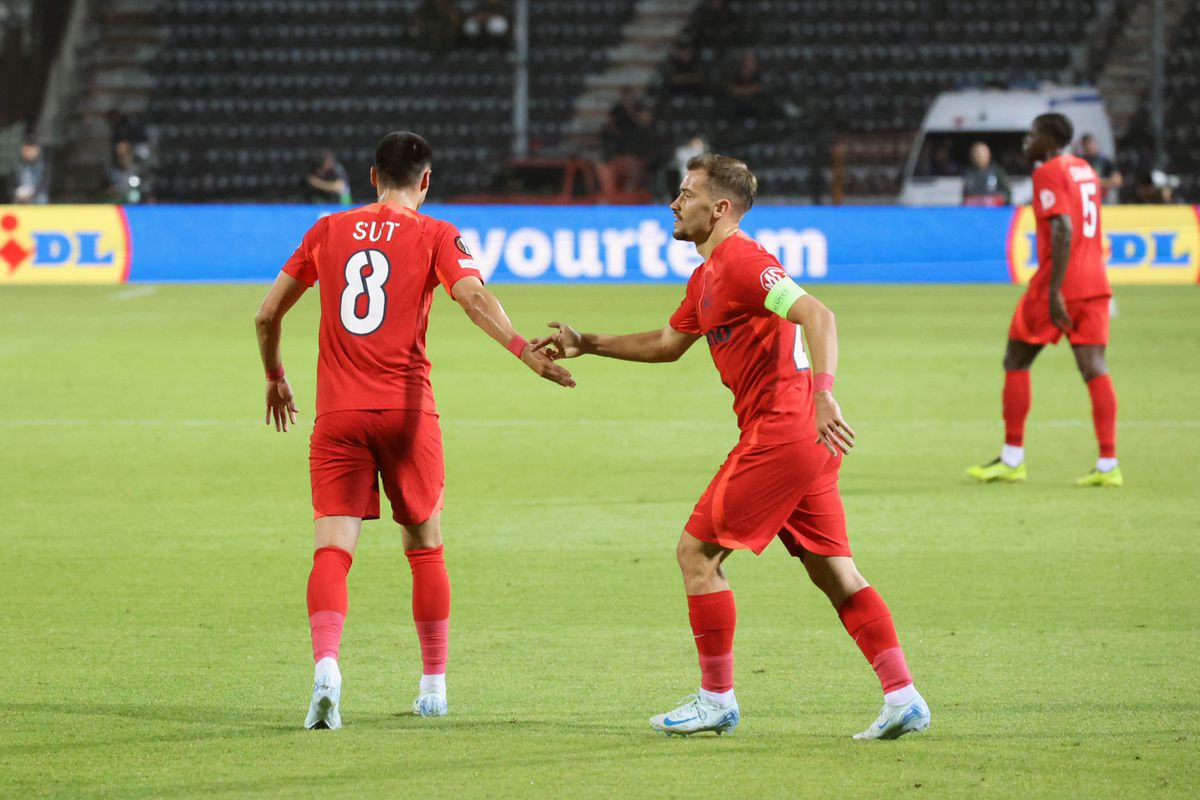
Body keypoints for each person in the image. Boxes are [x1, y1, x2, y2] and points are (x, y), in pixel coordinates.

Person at [534, 154, 930, 739]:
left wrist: (824, 394)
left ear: (719, 208)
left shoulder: (744, 261)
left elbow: (818, 315)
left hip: (784, 430)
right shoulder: (707, 277)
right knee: (835, 574)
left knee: (697, 554)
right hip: (801, 442)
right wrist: (588, 342)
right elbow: (669, 342)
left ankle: (716, 698)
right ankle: (903, 697)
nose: (674, 202)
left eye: (686, 192)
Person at [255, 131, 575, 730]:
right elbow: (473, 297)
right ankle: (433, 685)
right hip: (407, 416)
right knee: (425, 547)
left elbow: (267, 312)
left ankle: (326, 669)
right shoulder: (436, 234)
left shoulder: (327, 228)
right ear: (425, 181)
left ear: (372, 176)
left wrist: (276, 375)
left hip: (339, 417)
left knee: (332, 549)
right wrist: (520, 349)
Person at [968, 113, 1120, 487]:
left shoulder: (1048, 172)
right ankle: (1108, 463)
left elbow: (1064, 227)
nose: (1027, 141)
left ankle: (1012, 458)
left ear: (1050, 138)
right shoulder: (1084, 169)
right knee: (1094, 367)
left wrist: (1054, 291)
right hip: (1095, 279)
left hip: (1060, 282)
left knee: (1015, 358)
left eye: (1033, 134)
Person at [961, 141, 1011, 206]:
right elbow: (962, 196)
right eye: (976, 153)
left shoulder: (997, 172)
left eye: (982, 153)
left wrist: (998, 199)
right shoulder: (967, 173)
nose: (979, 156)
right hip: (973, 212)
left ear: (988, 154)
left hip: (994, 212)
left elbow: (1007, 193)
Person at [1078, 134, 1122, 203]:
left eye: (1090, 144)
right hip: (1087, 199)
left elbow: (1117, 181)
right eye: (1086, 145)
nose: (1089, 147)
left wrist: (1097, 182)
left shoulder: (1105, 161)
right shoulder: (1081, 161)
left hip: (1104, 198)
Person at [13, 135, 50, 204]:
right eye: (25, 150)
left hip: (37, 194)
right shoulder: (17, 166)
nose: (28, 152)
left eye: (30, 150)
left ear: (37, 150)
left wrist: (33, 194)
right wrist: (18, 193)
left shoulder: (43, 166)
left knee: (42, 198)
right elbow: (12, 185)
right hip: (20, 195)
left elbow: (45, 184)